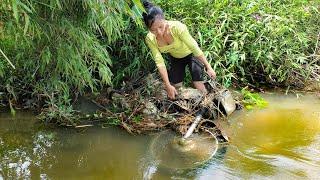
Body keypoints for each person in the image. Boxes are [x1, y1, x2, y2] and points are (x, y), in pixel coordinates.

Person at [142, 1, 216, 99]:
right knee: (176, 87)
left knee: (198, 84)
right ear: (148, 28)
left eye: (160, 27)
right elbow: (159, 62)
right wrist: (168, 85)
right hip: (176, 58)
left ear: (164, 19)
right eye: (153, 30)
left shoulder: (177, 27)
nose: (159, 32)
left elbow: (194, 47)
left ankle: (207, 103)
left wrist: (208, 67)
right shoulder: (150, 38)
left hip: (191, 55)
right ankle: (187, 107)